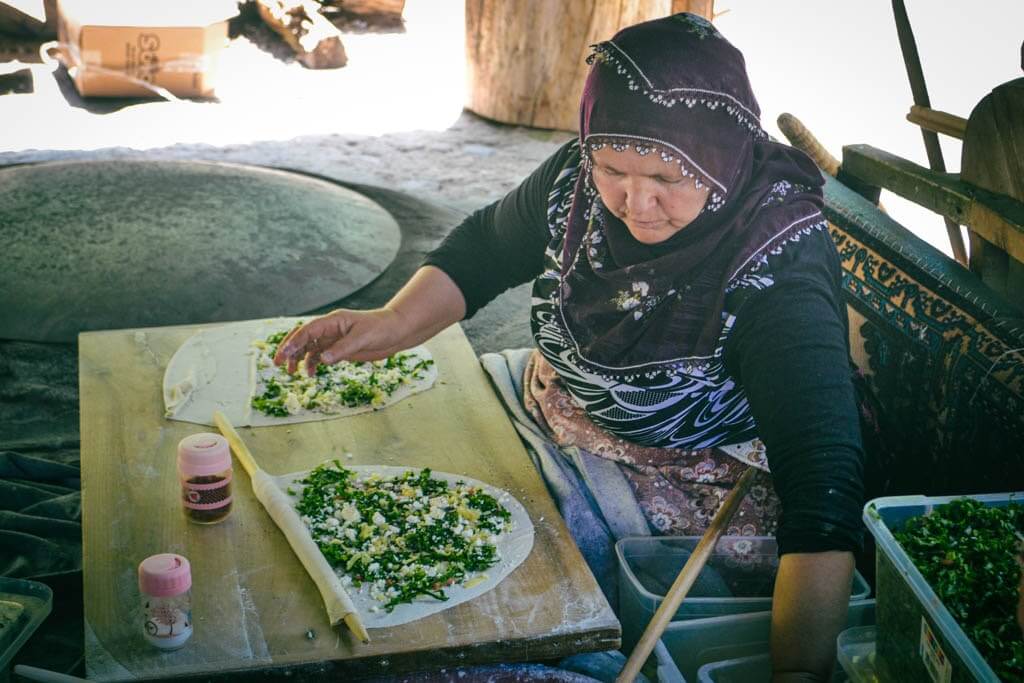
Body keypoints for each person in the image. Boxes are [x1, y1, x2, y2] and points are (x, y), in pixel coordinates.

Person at [276, 13, 864, 682]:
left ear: (721, 157)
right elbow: (485, 248)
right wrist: (389, 321)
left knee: (503, 612)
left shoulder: (775, 257)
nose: (634, 203)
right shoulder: (578, 180)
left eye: (668, 180)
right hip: (560, 408)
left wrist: (799, 671)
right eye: (613, 168)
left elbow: (823, 488)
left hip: (696, 474)